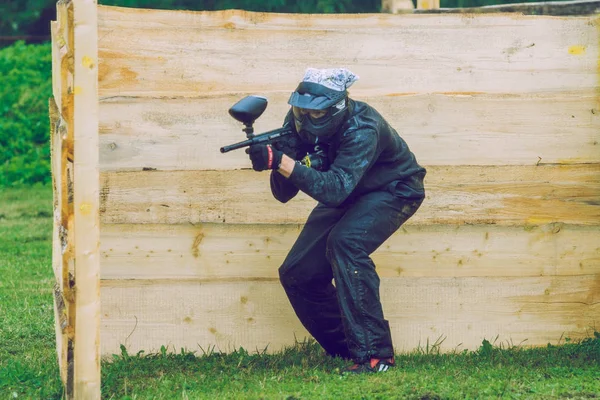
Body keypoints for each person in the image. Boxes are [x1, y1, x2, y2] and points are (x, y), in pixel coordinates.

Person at [246, 67, 426, 374]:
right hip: (347, 192)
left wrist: (283, 163)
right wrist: (277, 160)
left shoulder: (362, 127)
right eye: (300, 109)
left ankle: (375, 356)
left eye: (314, 113)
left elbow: (334, 189)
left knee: (346, 244)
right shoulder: (298, 122)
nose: (305, 116)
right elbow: (283, 194)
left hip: (393, 189)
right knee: (297, 273)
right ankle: (349, 350)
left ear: (336, 108)